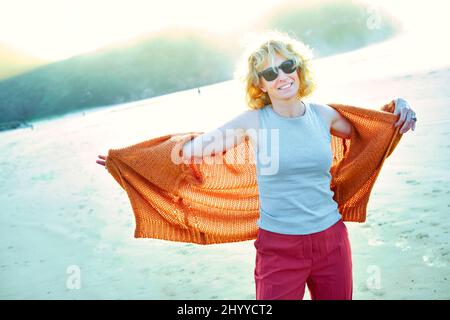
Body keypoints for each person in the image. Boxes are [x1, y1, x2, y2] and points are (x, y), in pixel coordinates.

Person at [96, 31, 417, 300]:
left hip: (331, 241)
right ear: (260, 84)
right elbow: (192, 150)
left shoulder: (323, 115)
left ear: (299, 69)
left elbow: (370, 134)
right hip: (280, 248)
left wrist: (397, 108)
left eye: (287, 65)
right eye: (269, 73)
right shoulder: (253, 122)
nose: (281, 76)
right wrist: (130, 160)